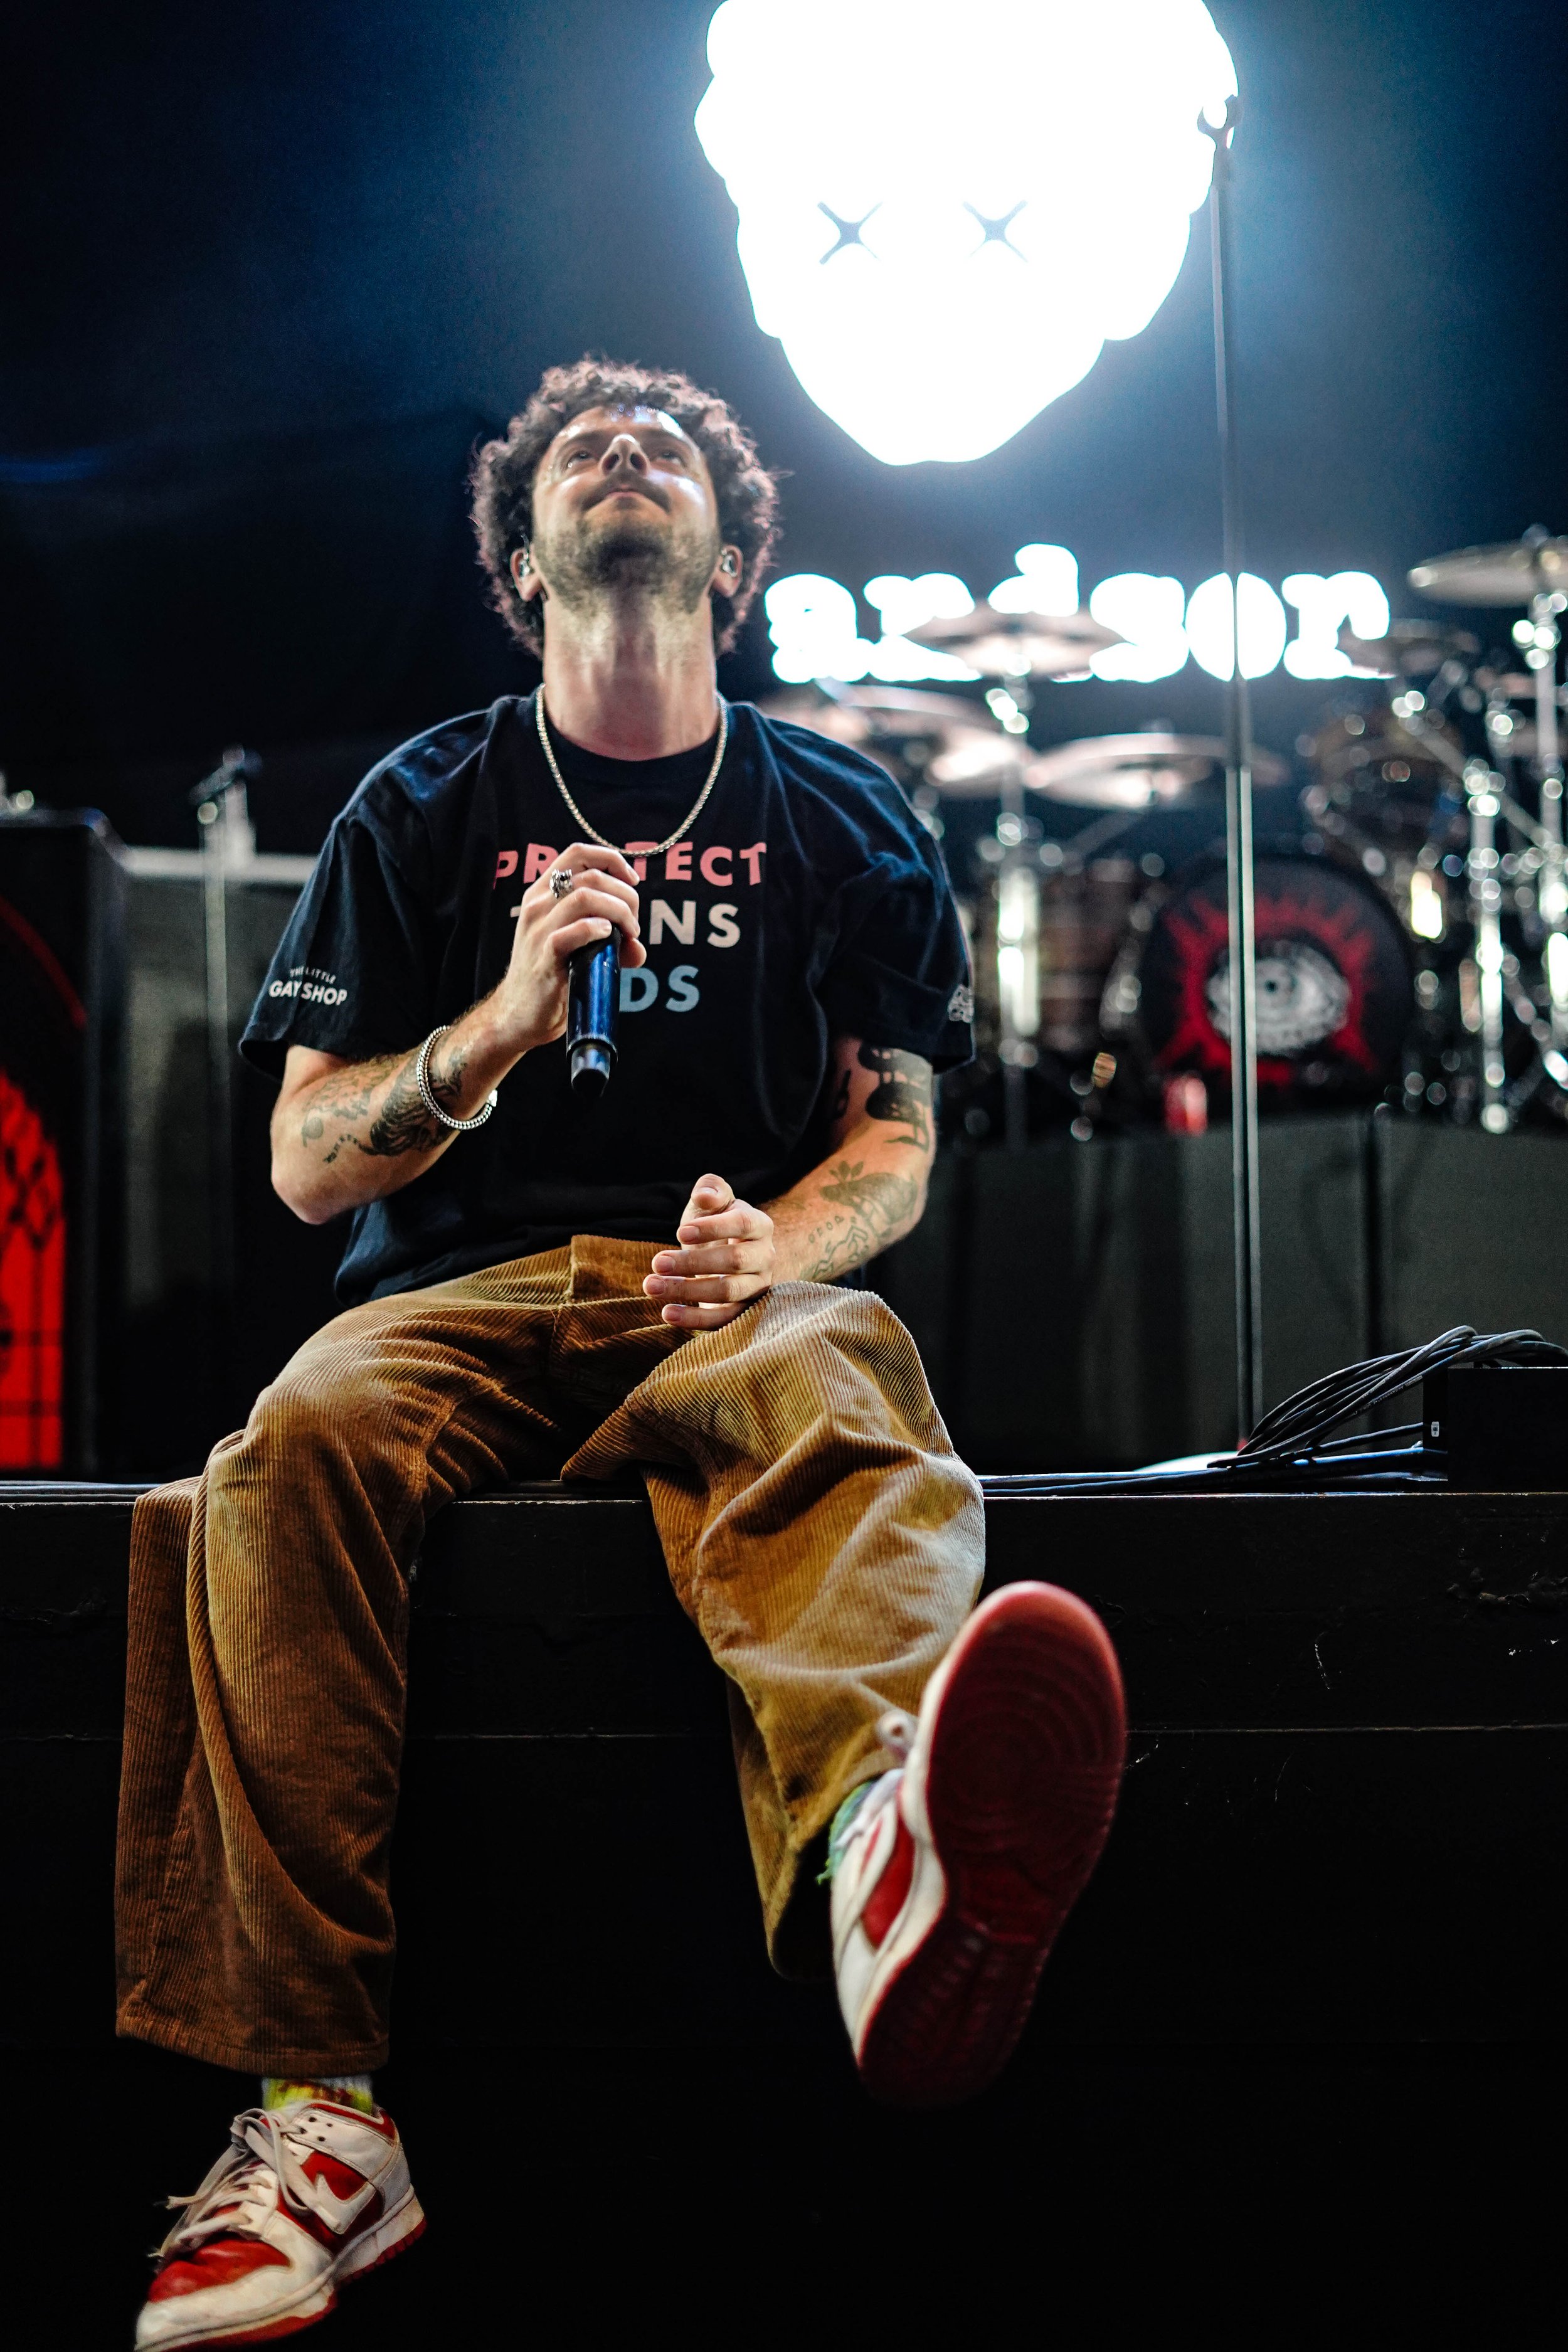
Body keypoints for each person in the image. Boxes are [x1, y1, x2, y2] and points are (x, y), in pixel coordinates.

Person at [120, 359, 1126, 2350]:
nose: (626, 447)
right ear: (521, 557)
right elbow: (311, 1167)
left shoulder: (840, 811)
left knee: (847, 1382)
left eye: (668, 443)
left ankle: (881, 1868)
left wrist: (785, 1239)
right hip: (456, 1308)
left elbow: (897, 1133)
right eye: (583, 444)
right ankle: (319, 2124)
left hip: (721, 1293)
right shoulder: (423, 805)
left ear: (734, 561)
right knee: (284, 1444)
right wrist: (489, 1033)